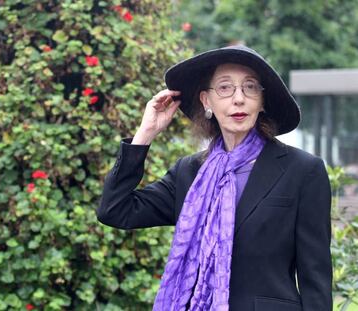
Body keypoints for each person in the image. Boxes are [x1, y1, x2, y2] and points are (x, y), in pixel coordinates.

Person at [97, 45, 332, 311]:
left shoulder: (302, 170)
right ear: (206, 101)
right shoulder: (189, 173)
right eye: (224, 88)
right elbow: (115, 210)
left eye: (250, 87)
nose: (239, 98)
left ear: (262, 101)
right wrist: (145, 134)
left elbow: (316, 279)